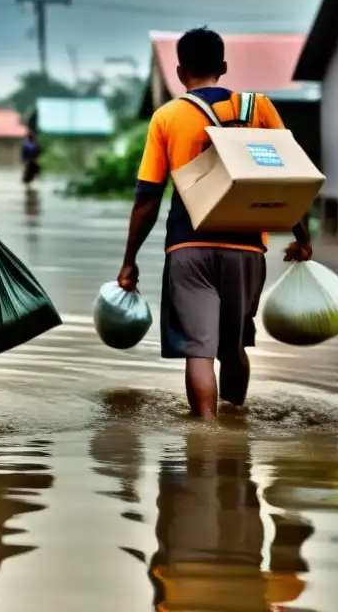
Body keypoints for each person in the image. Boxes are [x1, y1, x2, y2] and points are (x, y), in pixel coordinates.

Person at [116, 27, 312, 420]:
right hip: (247, 247)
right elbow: (288, 176)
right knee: (234, 345)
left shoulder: (167, 117)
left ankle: (206, 434)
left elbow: (147, 198)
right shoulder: (258, 108)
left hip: (189, 247)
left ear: (179, 71)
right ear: (223, 67)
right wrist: (302, 238)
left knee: (199, 349)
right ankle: (234, 423)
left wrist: (129, 260)